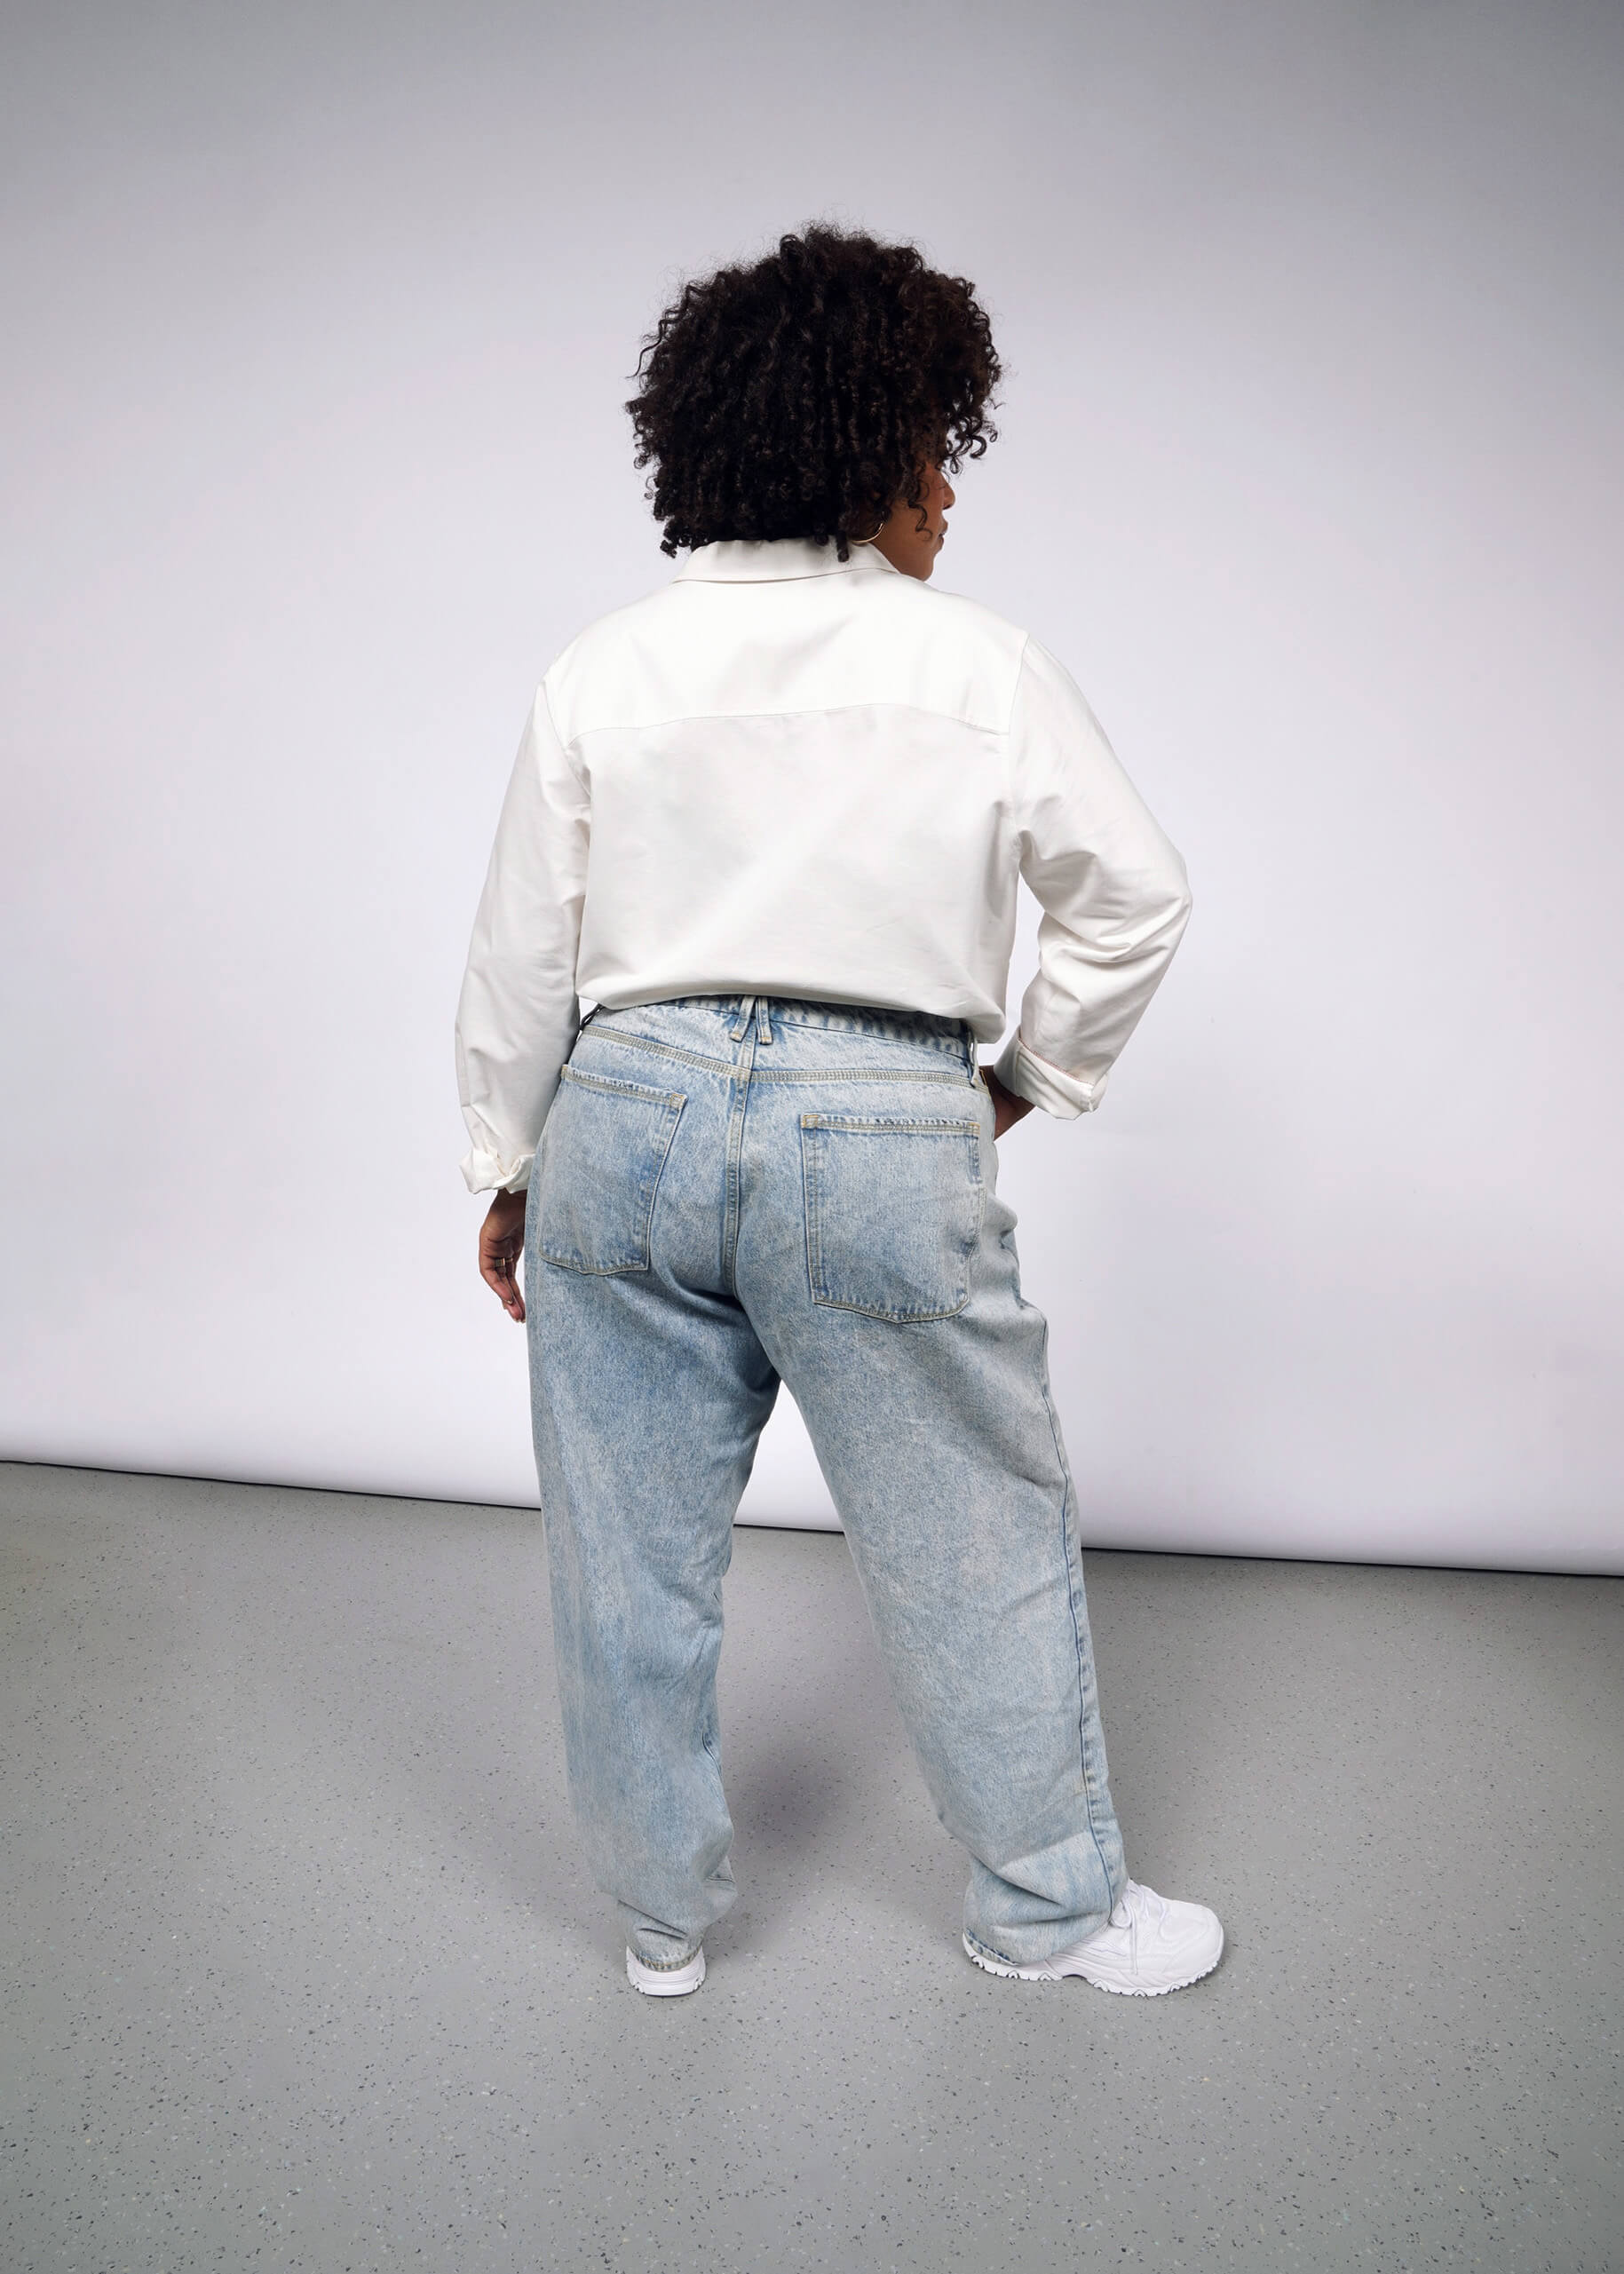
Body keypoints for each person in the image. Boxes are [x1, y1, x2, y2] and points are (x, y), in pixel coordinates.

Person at [455, 224, 1223, 2001]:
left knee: (624, 1558)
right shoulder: (977, 664)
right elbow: (1138, 896)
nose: (948, 496)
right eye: (934, 451)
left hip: (621, 1116)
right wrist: (1024, 1078)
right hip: (877, 1121)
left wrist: (508, 1169)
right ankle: (1050, 1913)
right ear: (865, 448)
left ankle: (657, 1927)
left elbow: (516, 955)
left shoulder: (604, 667)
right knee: (974, 1529)